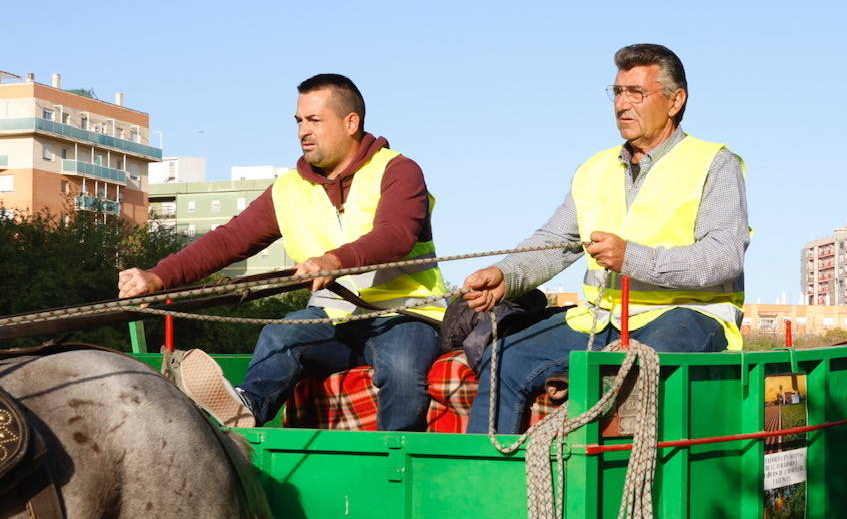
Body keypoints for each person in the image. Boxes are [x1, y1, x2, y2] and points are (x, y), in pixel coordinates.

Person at [118, 74, 446, 431]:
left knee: (401, 368)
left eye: (314, 120)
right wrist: (157, 276)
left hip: (407, 315)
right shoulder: (288, 189)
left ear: (351, 123)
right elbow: (228, 241)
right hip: (333, 319)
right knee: (280, 334)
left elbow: (395, 235)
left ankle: (396, 464)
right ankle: (244, 412)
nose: (303, 131)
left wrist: (334, 261)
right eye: (299, 121)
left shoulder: (398, 170)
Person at [462, 43, 750, 434]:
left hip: (688, 316)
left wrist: (633, 258)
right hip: (599, 320)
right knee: (503, 358)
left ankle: (616, 490)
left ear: (675, 101)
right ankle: (490, 484)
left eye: (637, 93)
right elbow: (555, 240)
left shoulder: (715, 163)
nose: (622, 104)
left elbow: (723, 256)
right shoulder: (593, 170)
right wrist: (506, 275)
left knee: (636, 369)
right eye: (617, 92)